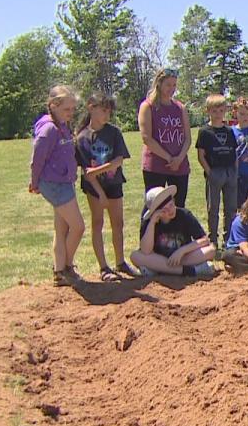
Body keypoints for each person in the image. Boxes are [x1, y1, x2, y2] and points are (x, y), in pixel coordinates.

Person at [74, 93, 138, 282]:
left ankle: (120, 262)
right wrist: (100, 193)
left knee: (118, 223)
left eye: (109, 111)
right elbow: (87, 173)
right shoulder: (82, 138)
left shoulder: (114, 132)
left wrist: (101, 169)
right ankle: (103, 267)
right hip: (94, 188)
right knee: (97, 223)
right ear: (90, 107)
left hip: (114, 183)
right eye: (103, 110)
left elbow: (119, 160)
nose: (106, 115)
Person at [29, 85, 86, 287]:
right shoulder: (49, 129)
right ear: (53, 106)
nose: (70, 114)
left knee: (61, 229)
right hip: (54, 185)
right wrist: (34, 182)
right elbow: (37, 157)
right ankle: (66, 267)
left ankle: (59, 272)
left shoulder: (62, 125)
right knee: (78, 227)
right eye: (66, 109)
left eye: (72, 109)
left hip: (63, 182)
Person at [130, 185, 216, 277]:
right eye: (164, 210)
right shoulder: (149, 222)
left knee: (211, 250)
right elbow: (146, 251)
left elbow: (204, 240)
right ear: (156, 213)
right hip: (160, 258)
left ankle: (160, 270)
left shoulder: (184, 214)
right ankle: (191, 271)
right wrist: (152, 223)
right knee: (135, 256)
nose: (170, 211)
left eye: (171, 205)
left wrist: (181, 251)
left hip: (183, 258)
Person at [139, 68, 191, 207]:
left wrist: (179, 158)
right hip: (156, 165)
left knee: (179, 207)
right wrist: (169, 158)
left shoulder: (180, 108)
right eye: (168, 84)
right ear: (159, 84)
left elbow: (187, 139)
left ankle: (176, 230)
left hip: (180, 166)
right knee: (154, 206)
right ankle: (151, 230)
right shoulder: (147, 106)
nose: (172, 88)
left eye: (174, 85)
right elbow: (147, 138)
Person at [196, 94, 238, 248]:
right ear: (208, 111)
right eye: (214, 111)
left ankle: (229, 239)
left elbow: (234, 152)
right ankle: (213, 239)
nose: (218, 114)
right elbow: (201, 155)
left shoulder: (229, 130)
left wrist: (235, 171)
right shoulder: (205, 131)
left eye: (221, 110)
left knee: (231, 208)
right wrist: (209, 172)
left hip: (230, 171)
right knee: (213, 208)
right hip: (215, 171)